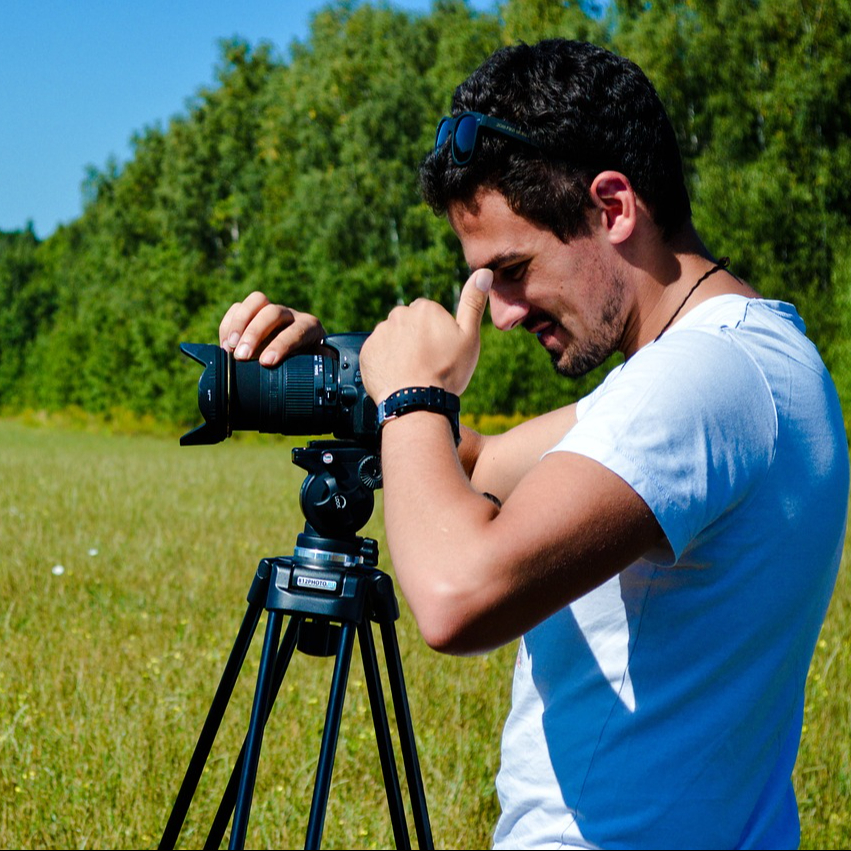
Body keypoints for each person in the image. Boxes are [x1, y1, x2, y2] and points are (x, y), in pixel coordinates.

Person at [218, 39, 848, 850]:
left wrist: (416, 394)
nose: (505, 312)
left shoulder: (698, 385)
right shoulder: (753, 357)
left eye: (512, 268)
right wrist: (342, 375)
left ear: (613, 206)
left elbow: (455, 595)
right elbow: (474, 462)